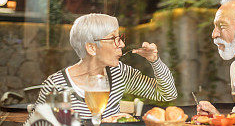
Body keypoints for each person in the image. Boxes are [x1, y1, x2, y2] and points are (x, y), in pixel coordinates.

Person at [32, 13, 177, 119]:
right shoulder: (56, 85)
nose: (122, 44)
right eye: (114, 38)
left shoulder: (118, 72)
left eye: (120, 38)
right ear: (91, 48)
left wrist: (154, 61)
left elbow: (167, 93)